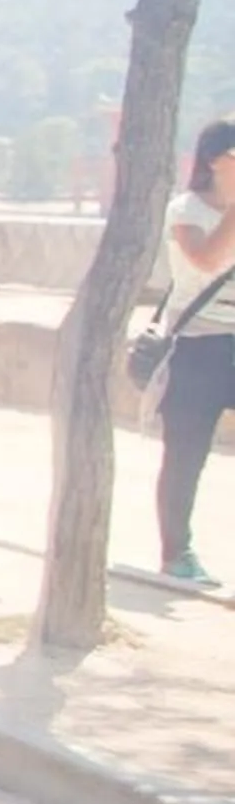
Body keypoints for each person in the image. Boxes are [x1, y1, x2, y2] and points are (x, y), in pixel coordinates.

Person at [153, 115, 235, 591]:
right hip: (197, 347)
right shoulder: (186, 210)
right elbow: (205, 260)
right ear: (213, 160)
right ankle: (176, 552)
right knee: (186, 454)